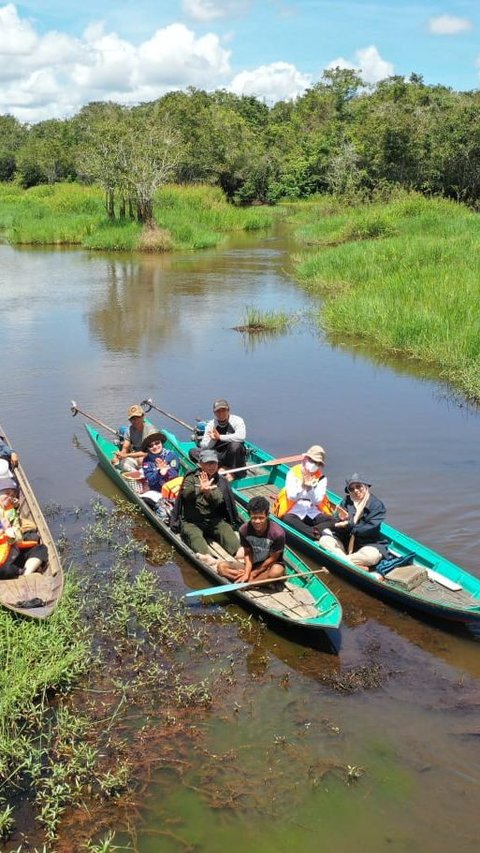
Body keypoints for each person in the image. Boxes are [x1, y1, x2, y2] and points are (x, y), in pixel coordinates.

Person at [171, 448, 240, 567]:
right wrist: (200, 489)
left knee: (228, 533)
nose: (211, 466)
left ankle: (240, 555)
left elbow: (219, 500)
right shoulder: (191, 477)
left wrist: (208, 493)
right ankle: (207, 558)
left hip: (213, 520)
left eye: (214, 463)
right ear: (200, 464)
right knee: (194, 537)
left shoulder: (221, 481)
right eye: (208, 463)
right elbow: (186, 494)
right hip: (192, 521)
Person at [319, 473, 388, 568]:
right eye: (351, 489)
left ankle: (342, 560)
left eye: (358, 486)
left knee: (371, 557)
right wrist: (340, 519)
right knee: (324, 540)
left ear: (366, 486)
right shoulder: (347, 501)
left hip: (367, 543)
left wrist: (348, 523)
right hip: (345, 540)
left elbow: (367, 528)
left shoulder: (376, 506)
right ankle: (354, 565)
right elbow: (335, 523)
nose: (356, 490)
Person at [218, 496, 285, 583]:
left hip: (269, 566)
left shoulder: (278, 533)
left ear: (267, 515)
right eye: (254, 518)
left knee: (276, 572)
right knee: (221, 567)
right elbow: (248, 553)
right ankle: (250, 580)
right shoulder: (243, 530)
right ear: (249, 515)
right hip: (252, 564)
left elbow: (273, 559)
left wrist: (253, 574)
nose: (257, 521)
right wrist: (247, 572)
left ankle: (249, 583)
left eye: (261, 518)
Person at [273, 445, 333, 540]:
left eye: (317, 463)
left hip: (311, 510)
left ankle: (313, 530)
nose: (314, 464)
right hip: (294, 509)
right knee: (287, 519)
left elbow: (317, 501)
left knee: (333, 520)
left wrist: (309, 489)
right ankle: (315, 534)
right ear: (306, 458)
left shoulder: (321, 478)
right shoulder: (293, 472)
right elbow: (291, 496)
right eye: (312, 461)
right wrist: (303, 486)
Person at [0, 478, 47, 578]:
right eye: (6, 493)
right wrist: (3, 531)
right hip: (2, 556)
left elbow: (17, 537)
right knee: (7, 570)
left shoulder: (10, 510)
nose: (9, 497)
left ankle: (25, 575)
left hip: (12, 550)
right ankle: (19, 572)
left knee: (41, 548)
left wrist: (15, 508)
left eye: (12, 495)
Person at [192, 399, 246, 476]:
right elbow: (204, 446)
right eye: (218, 411)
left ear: (228, 410)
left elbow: (241, 437)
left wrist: (219, 437)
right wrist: (213, 440)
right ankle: (218, 467)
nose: (221, 413)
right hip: (217, 454)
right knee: (193, 452)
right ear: (214, 412)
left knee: (235, 446)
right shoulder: (211, 425)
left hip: (233, 455)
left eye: (223, 410)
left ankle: (233, 473)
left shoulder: (237, 421)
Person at [112, 404, 157, 472]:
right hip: (136, 456)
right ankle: (137, 475)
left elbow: (150, 452)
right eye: (132, 418)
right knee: (116, 462)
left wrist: (127, 455)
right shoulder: (129, 430)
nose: (135, 421)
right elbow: (125, 448)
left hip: (151, 457)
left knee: (141, 460)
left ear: (142, 416)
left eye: (137, 417)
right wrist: (119, 456)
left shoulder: (151, 430)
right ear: (130, 420)